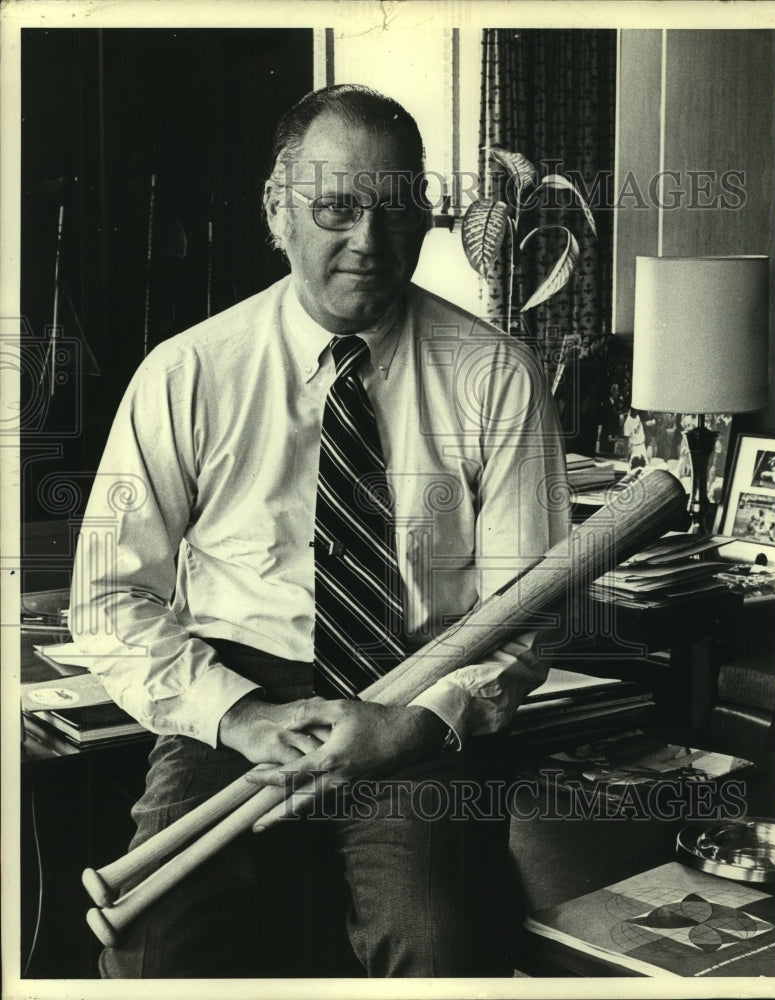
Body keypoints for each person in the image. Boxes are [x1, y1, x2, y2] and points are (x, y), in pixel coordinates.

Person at [70, 84, 568, 979]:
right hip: (240, 698)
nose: (368, 242)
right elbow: (108, 598)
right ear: (277, 209)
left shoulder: (497, 376)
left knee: (438, 940)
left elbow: (523, 613)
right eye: (335, 208)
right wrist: (242, 716)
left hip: (419, 697)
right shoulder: (187, 373)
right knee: (154, 952)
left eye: (395, 210)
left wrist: (414, 725)